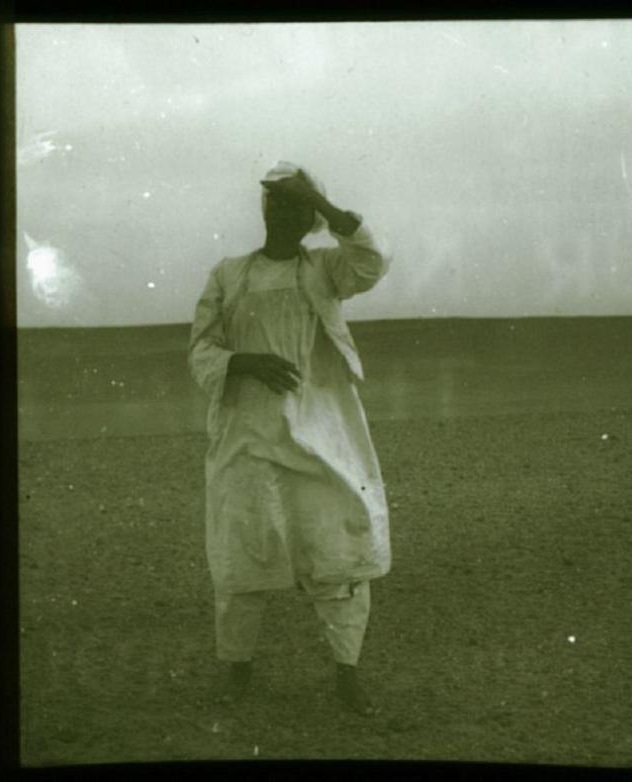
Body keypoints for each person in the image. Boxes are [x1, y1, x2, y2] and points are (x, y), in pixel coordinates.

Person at [188, 161, 391, 716]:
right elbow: (200, 349)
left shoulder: (326, 269)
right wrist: (242, 360)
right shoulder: (229, 275)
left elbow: (372, 262)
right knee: (241, 556)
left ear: (310, 219)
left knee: (340, 553)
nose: (285, 214)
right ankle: (237, 670)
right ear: (264, 210)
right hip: (246, 436)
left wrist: (323, 204)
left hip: (323, 433)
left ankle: (347, 674)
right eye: (277, 203)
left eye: (297, 206)